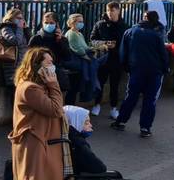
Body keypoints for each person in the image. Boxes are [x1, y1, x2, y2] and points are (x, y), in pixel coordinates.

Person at [8, 47, 65, 180]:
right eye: (49, 63)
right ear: (36, 65)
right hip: (35, 142)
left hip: (43, 140)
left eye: (52, 62)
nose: (52, 67)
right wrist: (54, 84)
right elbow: (55, 109)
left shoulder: (40, 85)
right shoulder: (30, 88)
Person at [111, 11, 169, 138]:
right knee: (150, 100)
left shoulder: (130, 32)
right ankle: (145, 128)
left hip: (136, 69)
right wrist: (165, 69)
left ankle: (120, 121)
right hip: (154, 71)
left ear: (144, 18)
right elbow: (163, 54)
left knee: (131, 96)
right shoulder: (157, 34)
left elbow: (123, 52)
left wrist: (127, 67)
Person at [90, 2, 129, 119]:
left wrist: (117, 48)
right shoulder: (100, 24)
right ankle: (96, 105)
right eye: (108, 10)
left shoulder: (124, 26)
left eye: (112, 10)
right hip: (102, 58)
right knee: (100, 84)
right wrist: (104, 44)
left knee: (115, 85)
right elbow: (92, 39)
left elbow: (127, 44)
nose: (110, 13)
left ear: (118, 11)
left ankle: (113, 108)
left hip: (117, 59)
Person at [27, 12, 75, 94]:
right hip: (40, 71)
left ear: (56, 24)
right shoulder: (36, 39)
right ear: (42, 23)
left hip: (57, 70)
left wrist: (60, 41)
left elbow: (68, 57)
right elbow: (29, 58)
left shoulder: (62, 39)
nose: (48, 25)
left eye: (51, 23)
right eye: (46, 23)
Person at [63, 106, 107, 175]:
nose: (91, 125)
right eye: (86, 123)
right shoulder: (78, 143)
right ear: (75, 123)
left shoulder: (66, 136)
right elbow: (100, 167)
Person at [0, 8, 29, 95]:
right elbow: (15, 42)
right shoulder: (6, 28)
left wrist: (26, 29)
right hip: (12, 65)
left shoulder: (20, 29)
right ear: (11, 18)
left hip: (22, 64)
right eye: (18, 18)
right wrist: (19, 28)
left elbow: (29, 42)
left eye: (21, 18)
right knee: (14, 94)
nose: (20, 20)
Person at [64, 13, 92, 105]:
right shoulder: (71, 34)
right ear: (72, 22)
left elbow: (85, 47)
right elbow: (78, 49)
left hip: (80, 62)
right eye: (79, 21)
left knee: (75, 89)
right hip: (75, 63)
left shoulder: (79, 33)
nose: (81, 23)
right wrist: (88, 58)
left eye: (82, 21)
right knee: (72, 89)